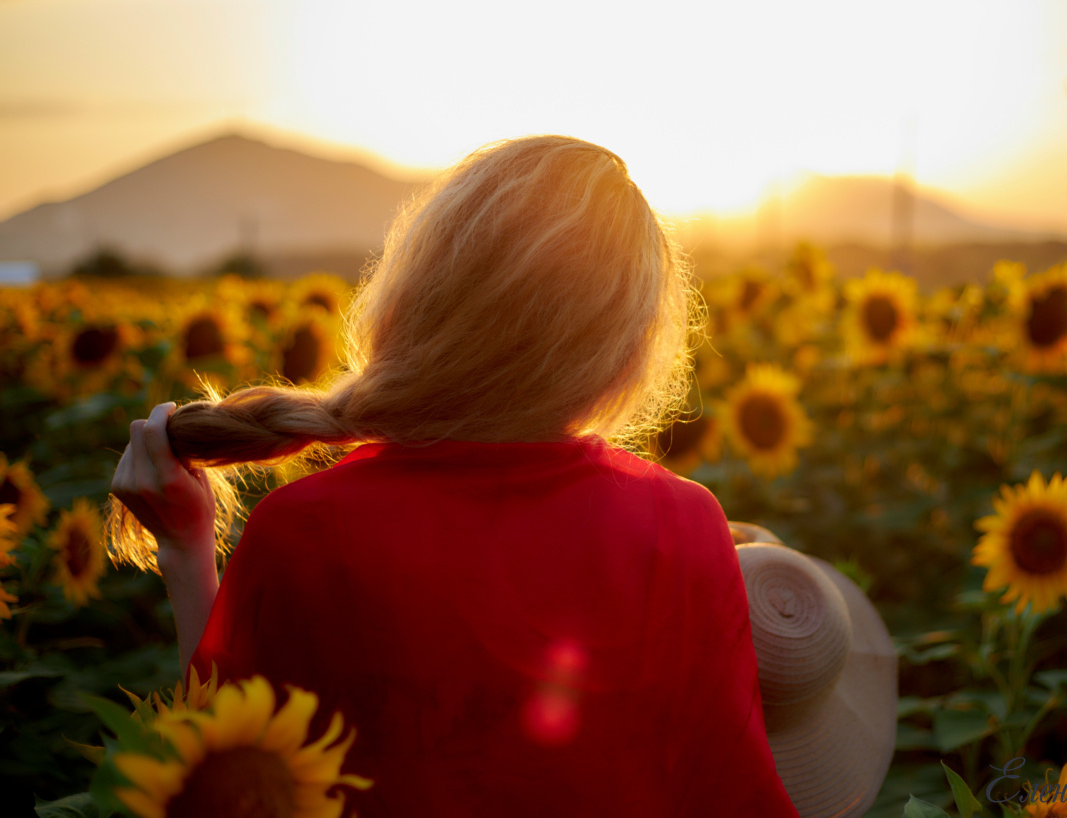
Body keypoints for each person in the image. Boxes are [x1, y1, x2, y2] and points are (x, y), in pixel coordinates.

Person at [109, 136, 801, 817]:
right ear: (625, 345)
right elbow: (726, 792)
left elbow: (230, 790)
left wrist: (186, 553)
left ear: (420, 299)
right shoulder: (681, 524)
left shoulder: (310, 529)